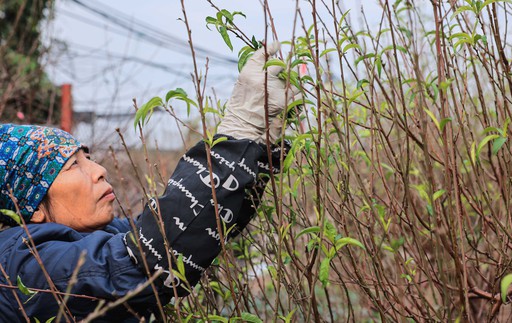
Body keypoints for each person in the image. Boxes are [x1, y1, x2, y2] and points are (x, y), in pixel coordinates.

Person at [0, 43, 298, 322]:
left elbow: (185, 231)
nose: (99, 170)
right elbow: (147, 257)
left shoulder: (92, 234)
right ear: (32, 206)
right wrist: (237, 133)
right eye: (71, 166)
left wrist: (257, 150)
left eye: (87, 158)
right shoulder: (22, 267)